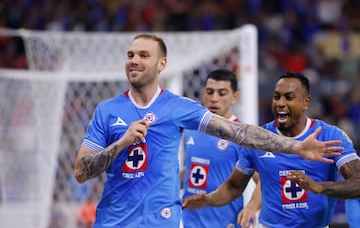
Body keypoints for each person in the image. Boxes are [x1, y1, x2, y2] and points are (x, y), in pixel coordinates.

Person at [74, 35, 342, 227]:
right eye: (131, 55)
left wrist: (295, 146)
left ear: (161, 64)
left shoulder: (179, 107)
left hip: (162, 221)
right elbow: (81, 172)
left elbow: (237, 132)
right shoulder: (107, 110)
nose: (134, 60)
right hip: (113, 220)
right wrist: (122, 142)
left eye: (144, 55)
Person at [182, 72, 359, 227]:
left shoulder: (330, 136)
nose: (280, 103)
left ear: (306, 102)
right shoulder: (258, 139)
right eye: (276, 97)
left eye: (288, 97)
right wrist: (209, 199)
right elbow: (234, 186)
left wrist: (320, 187)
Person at [180, 69, 260, 228]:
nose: (214, 98)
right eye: (210, 92)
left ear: (234, 97)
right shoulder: (191, 130)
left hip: (225, 223)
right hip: (189, 222)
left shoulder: (242, 135)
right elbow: (193, 169)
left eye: (222, 93)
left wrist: (251, 208)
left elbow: (264, 181)